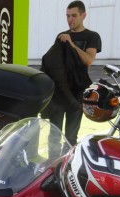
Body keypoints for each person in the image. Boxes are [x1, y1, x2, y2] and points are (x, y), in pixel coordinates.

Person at [40, 1, 101, 145]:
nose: (70, 20)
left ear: (83, 15)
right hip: (60, 91)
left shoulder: (92, 36)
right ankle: (53, 166)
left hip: (77, 91)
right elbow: (53, 62)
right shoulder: (61, 36)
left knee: (71, 137)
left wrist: (72, 44)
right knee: (54, 137)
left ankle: (68, 165)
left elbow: (88, 60)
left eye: (74, 16)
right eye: (67, 16)